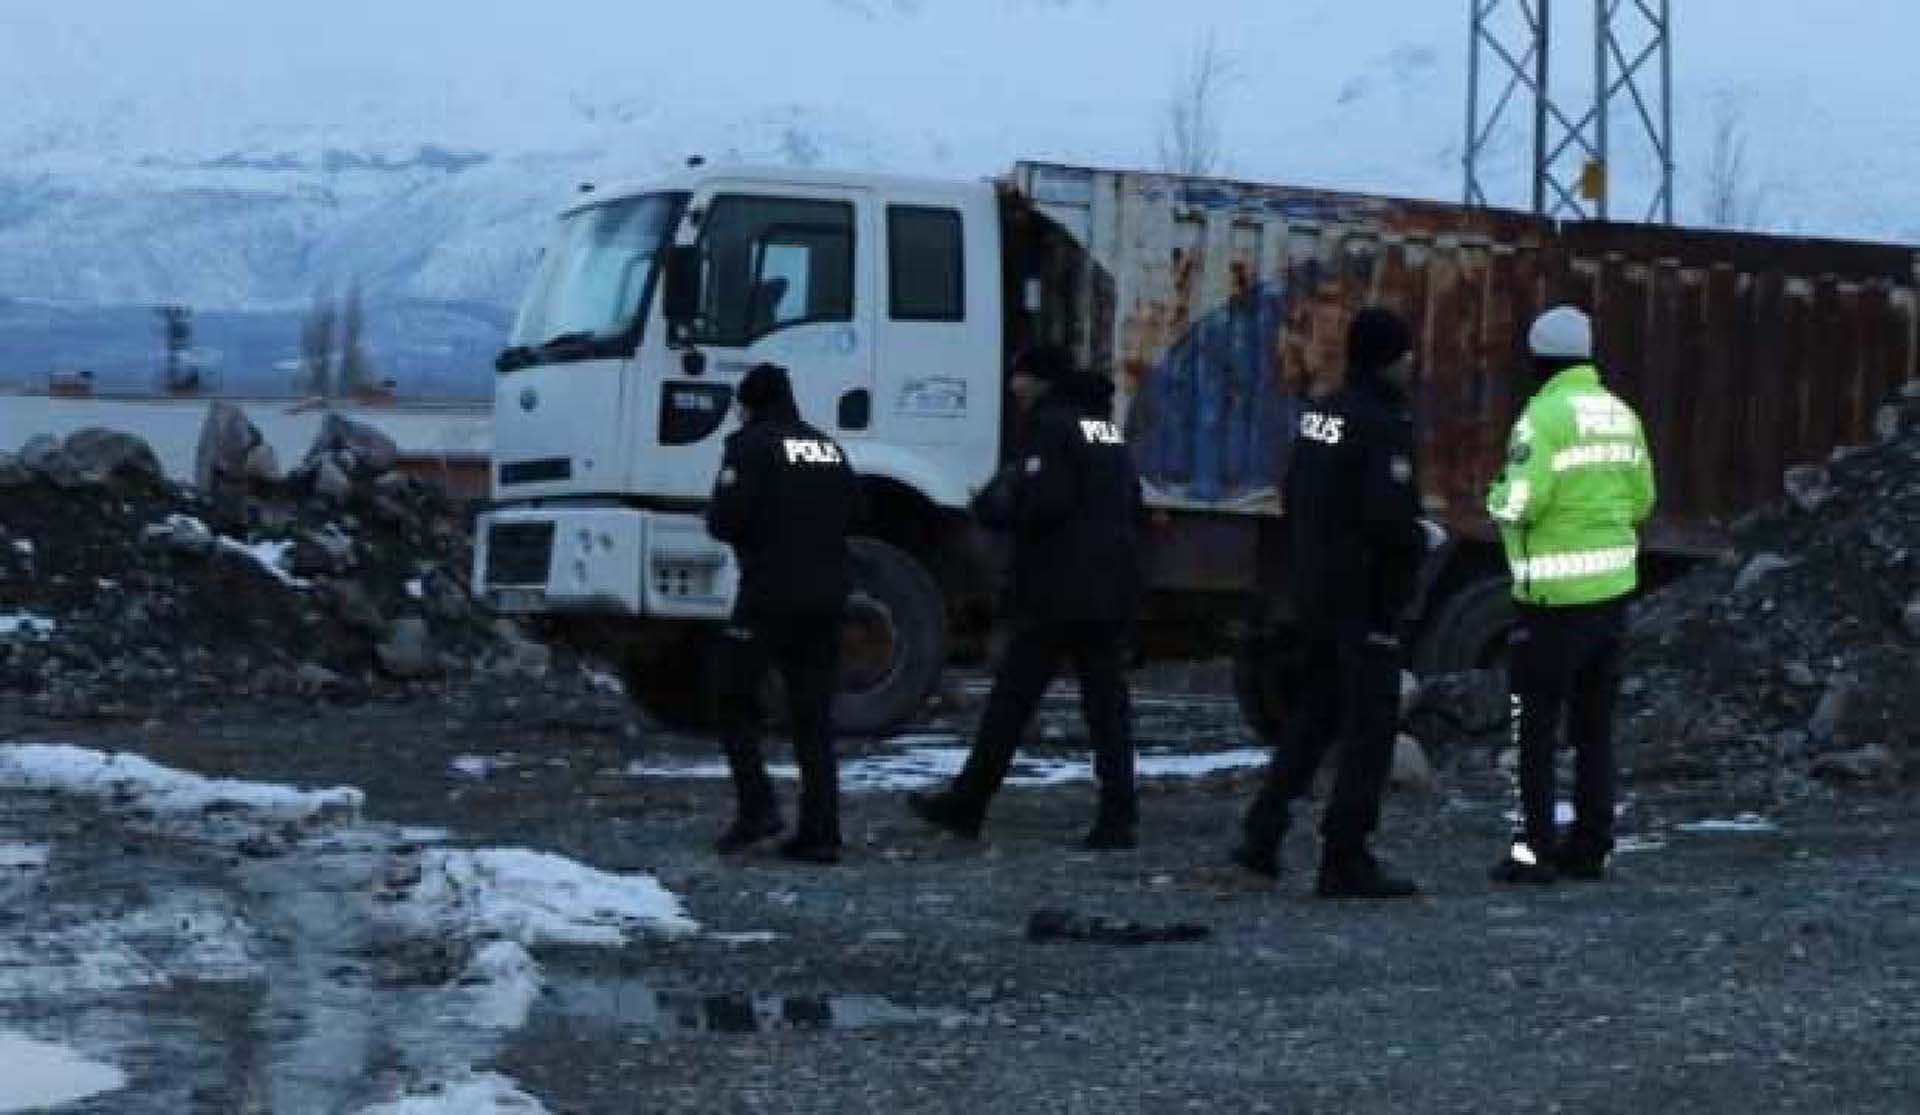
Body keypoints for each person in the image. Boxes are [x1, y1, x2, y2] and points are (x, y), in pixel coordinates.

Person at [1232, 306, 1442, 898]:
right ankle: (1345, 856)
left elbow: (1296, 491)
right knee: (1370, 730)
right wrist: (1418, 539)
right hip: (1366, 598)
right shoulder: (1382, 421)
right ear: (1387, 358)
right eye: (1405, 353)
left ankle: (1262, 832)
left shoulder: (1322, 415)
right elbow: (1386, 514)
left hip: (1318, 592)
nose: (1411, 363)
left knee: (1315, 717)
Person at [908, 345, 1145, 849]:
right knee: (1106, 706)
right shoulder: (1103, 428)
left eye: (1018, 378)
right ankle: (1119, 815)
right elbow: (1132, 501)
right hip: (1109, 585)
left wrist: (1000, 508)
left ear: (1039, 381)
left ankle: (967, 805)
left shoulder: (1050, 425)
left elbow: (1047, 502)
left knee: (1011, 702)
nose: (1012, 387)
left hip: (1059, 588)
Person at [1487, 306, 1656, 885]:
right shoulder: (1621, 415)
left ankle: (1533, 850)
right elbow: (1642, 501)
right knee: (1594, 731)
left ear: (1539, 360)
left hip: (1552, 603)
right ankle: (1592, 847)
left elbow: (1520, 502)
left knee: (1532, 729)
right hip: (1610, 598)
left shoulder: (1542, 418)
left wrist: (1496, 498)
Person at [706, 363, 860, 865]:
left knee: (731, 695)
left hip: (769, 593)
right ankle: (821, 832)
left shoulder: (748, 446)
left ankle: (757, 810)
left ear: (749, 404)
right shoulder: (828, 449)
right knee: (813, 716)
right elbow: (857, 513)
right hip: (828, 594)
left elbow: (727, 520)